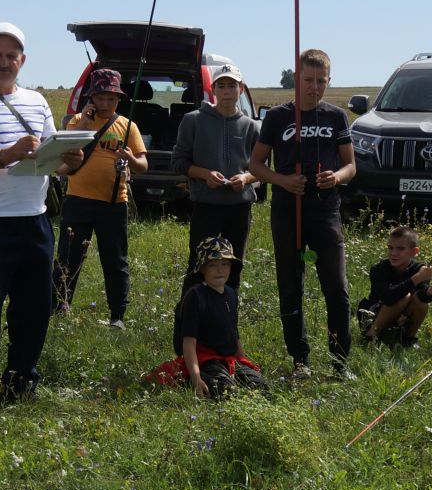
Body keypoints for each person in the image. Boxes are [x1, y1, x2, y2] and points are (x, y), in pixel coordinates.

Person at [0, 22, 77, 408]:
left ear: (22, 60)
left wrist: (71, 160)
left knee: (35, 308)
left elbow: (53, 163)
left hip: (35, 218)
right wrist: (11, 153)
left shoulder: (37, 102)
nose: (4, 62)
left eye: (12, 56)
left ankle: (21, 381)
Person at [249, 47, 356, 379]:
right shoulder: (278, 117)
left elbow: (351, 165)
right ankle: (301, 360)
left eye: (321, 81)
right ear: (298, 79)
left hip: (325, 213)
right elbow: (254, 165)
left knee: (336, 288)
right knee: (291, 286)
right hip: (287, 211)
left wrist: (335, 177)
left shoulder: (336, 117)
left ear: (329, 80)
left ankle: (340, 363)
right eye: (308, 80)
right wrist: (283, 180)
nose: (314, 87)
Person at [54, 67, 147, 325]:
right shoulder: (76, 121)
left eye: (111, 99)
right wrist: (84, 121)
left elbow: (143, 166)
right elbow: (65, 147)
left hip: (114, 202)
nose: (105, 103)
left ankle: (117, 315)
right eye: (100, 98)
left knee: (115, 260)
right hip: (77, 200)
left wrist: (130, 159)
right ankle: (60, 306)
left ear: (119, 100)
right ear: (91, 98)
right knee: (67, 257)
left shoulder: (128, 126)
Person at [171, 61, 259, 291]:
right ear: (213, 89)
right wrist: (205, 174)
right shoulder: (194, 120)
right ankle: (189, 319)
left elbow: (261, 169)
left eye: (233, 85)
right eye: (222, 85)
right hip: (206, 204)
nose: (227, 91)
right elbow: (178, 161)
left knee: (234, 264)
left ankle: (227, 320)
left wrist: (246, 179)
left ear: (241, 89)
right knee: (198, 264)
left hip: (239, 207)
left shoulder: (251, 127)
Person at [146, 237, 265, 398]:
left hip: (228, 359)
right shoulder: (196, 297)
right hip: (205, 360)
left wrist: (243, 363)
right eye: (213, 265)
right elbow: (188, 344)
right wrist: (196, 379)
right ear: (202, 268)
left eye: (225, 264)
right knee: (226, 392)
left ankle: (233, 377)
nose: (220, 270)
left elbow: (233, 333)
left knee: (262, 387)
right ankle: (190, 380)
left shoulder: (231, 294)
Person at [359, 226, 432, 347]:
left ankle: (408, 339)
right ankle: (370, 336)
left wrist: (430, 292)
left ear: (414, 251)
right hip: (375, 315)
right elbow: (387, 298)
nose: (394, 253)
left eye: (400, 249)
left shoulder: (419, 269)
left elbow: (421, 297)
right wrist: (417, 278)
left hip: (401, 316)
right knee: (403, 297)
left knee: (422, 304)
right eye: (390, 248)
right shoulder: (378, 269)